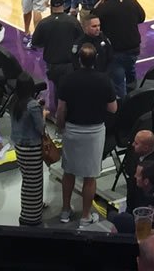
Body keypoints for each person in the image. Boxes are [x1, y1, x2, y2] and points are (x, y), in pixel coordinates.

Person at [55, 43, 118, 228]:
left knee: (69, 172)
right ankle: (85, 216)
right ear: (95, 59)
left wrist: (60, 128)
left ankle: (65, 211)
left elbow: (60, 109)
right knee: (90, 177)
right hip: (94, 131)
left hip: (72, 130)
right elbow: (113, 108)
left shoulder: (68, 79)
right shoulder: (104, 80)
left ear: (79, 59)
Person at [93, 0, 146, 98]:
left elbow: (93, 17)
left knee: (118, 83)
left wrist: (101, 0)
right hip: (133, 48)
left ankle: (123, 108)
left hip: (116, 51)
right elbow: (142, 18)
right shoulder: (132, 3)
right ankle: (134, 99)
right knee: (131, 74)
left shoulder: (105, 7)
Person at [10, 74, 48, 226]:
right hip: (32, 148)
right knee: (34, 183)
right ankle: (30, 216)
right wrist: (43, 114)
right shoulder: (32, 105)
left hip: (20, 147)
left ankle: (33, 209)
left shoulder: (15, 101)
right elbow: (41, 128)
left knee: (28, 180)